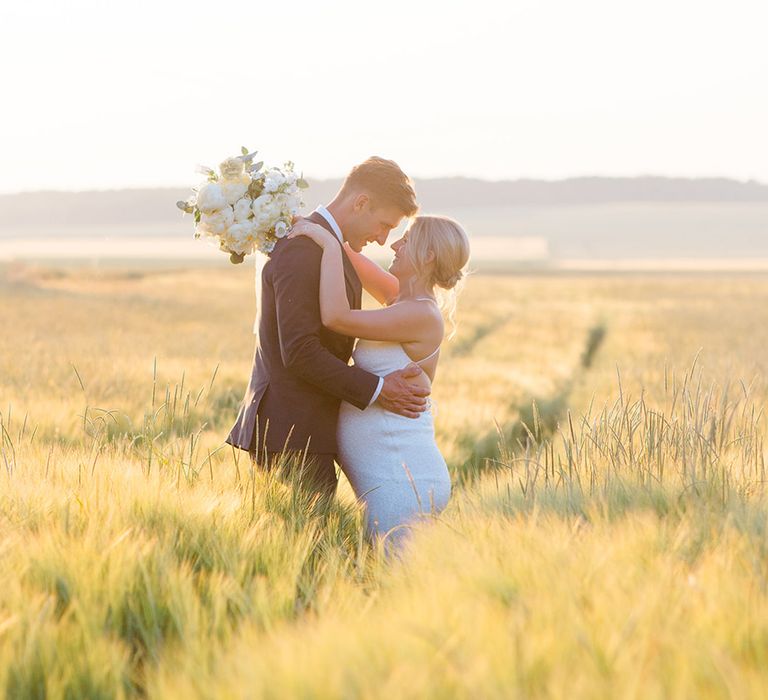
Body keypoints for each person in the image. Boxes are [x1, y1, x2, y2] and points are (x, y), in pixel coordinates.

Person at [225, 157, 429, 500]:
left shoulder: (320, 243)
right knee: (307, 546)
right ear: (361, 202)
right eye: (384, 225)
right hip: (291, 433)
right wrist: (380, 389)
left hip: (300, 430)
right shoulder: (304, 249)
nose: (383, 240)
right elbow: (301, 352)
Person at [287, 214, 470, 547]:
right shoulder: (402, 298)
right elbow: (352, 258)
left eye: (407, 239)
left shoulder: (421, 314)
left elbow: (336, 317)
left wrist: (326, 244)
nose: (395, 245)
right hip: (392, 475)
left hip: (402, 479)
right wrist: (323, 228)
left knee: (393, 585)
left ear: (427, 256)